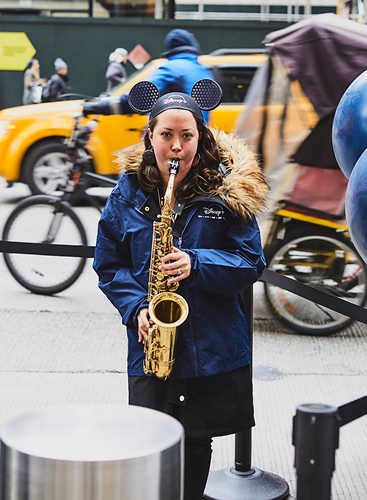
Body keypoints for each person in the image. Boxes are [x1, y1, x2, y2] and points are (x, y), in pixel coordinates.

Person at [93, 85, 268, 500]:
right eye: (166, 136)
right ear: (149, 136)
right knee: (149, 442)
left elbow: (251, 262)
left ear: (201, 137)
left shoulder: (227, 193)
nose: (176, 148)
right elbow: (108, 263)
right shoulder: (128, 193)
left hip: (208, 346)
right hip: (151, 338)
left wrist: (197, 262)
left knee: (195, 441)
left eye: (186, 136)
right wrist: (135, 306)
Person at [83, 29, 213, 121]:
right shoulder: (203, 70)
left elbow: (138, 97)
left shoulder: (172, 68)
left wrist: (98, 107)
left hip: (170, 146)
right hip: (197, 143)